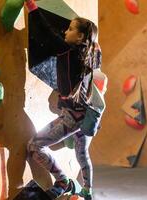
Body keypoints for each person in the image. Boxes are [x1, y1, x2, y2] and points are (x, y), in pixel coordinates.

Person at [25, 0, 104, 199]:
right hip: (84, 116)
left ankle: (63, 181)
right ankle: (88, 190)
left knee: (35, 146)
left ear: (79, 37)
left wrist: (33, 8)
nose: (65, 32)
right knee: (82, 155)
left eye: (69, 29)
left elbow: (48, 34)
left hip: (73, 118)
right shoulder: (89, 53)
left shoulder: (68, 51)